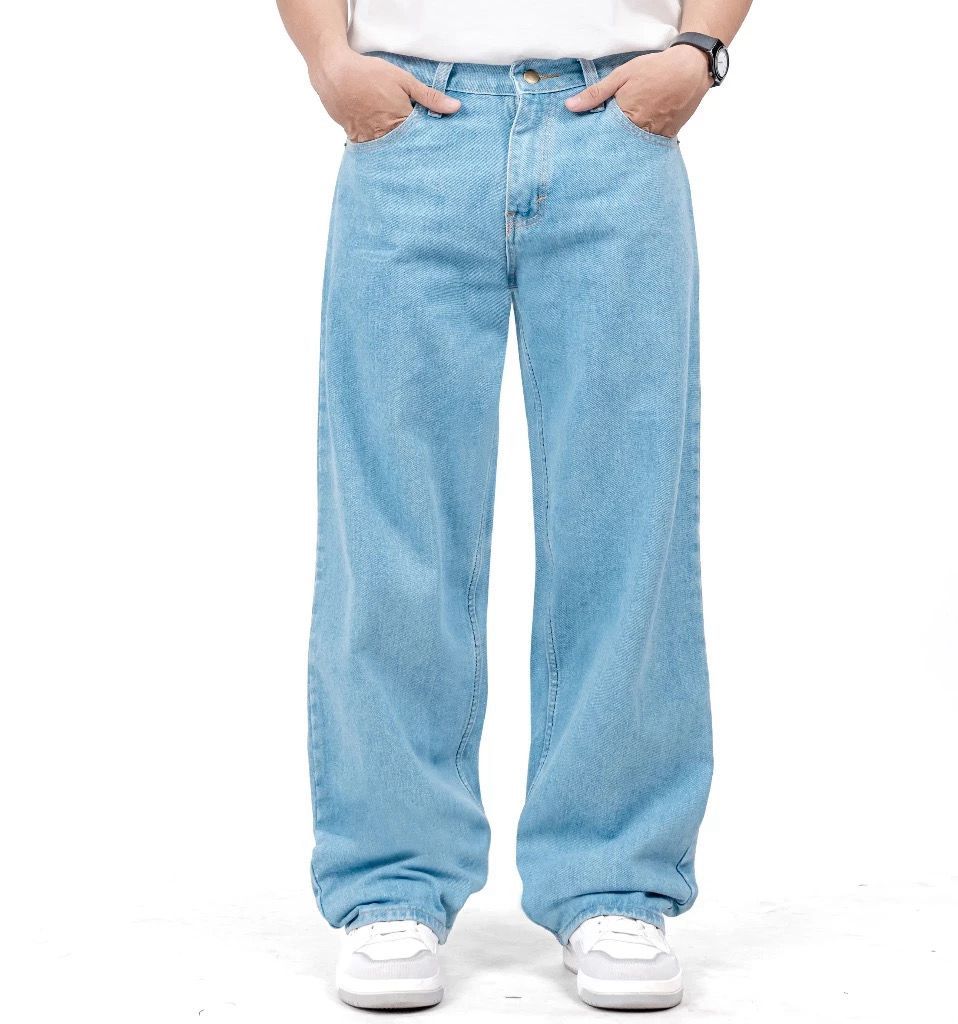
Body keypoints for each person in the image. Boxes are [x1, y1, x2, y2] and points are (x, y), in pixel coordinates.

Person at [277, 0, 752, 1010]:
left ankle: (613, 880)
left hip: (614, 126)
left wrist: (699, 51)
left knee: (625, 521)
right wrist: (327, 59)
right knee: (393, 524)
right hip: (410, 126)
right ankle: (392, 883)